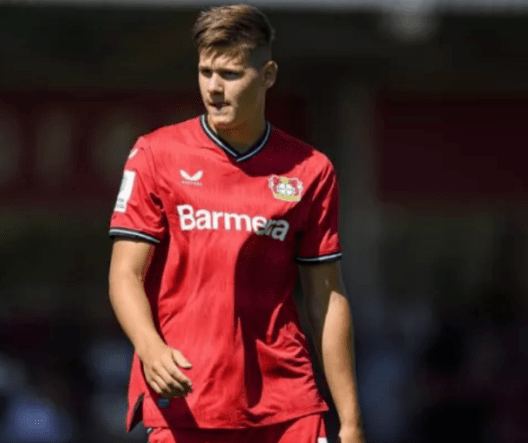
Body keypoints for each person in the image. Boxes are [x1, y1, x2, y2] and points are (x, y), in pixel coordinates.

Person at [107, 4, 365, 443]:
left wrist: (352, 420)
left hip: (289, 406)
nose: (213, 87)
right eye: (205, 72)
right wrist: (150, 348)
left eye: (229, 74)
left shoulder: (310, 170)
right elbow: (124, 274)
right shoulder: (155, 154)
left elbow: (326, 299)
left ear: (268, 75)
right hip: (187, 401)